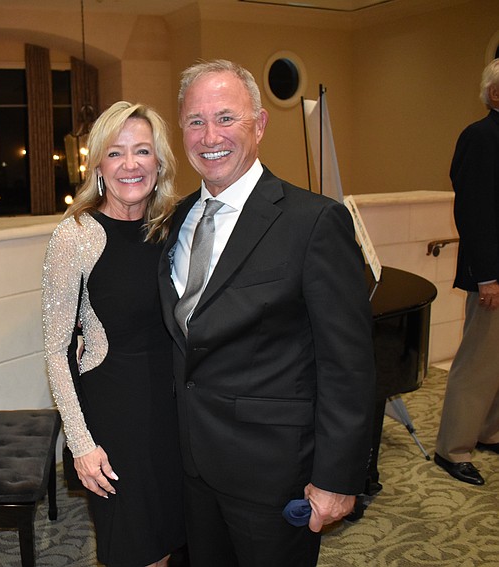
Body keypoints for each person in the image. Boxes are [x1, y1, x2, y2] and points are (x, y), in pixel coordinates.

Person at [157, 59, 376, 567]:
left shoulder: (315, 222)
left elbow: (348, 364)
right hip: (191, 465)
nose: (210, 135)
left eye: (226, 118)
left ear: (259, 124)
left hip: (274, 473)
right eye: (195, 121)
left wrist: (338, 477)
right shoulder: (175, 220)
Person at [42, 101, 186, 567]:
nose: (130, 164)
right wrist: (81, 444)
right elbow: (57, 349)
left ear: (159, 162)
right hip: (116, 417)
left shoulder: (174, 227)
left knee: (172, 541)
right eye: (116, 152)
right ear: (98, 164)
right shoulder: (76, 235)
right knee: (135, 551)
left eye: (142, 151)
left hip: (175, 412)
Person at [434, 58, 499, 486]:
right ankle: (452, 448)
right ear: (495, 93)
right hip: (492, 274)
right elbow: (473, 211)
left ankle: (488, 432)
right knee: (476, 362)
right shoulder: (480, 137)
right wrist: (487, 276)